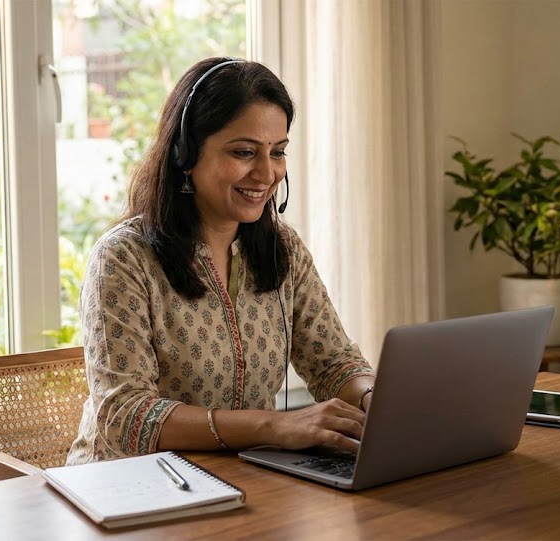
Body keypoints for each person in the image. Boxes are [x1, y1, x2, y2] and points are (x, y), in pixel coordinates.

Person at [67, 57, 375, 465]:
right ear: (185, 154)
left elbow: (333, 364)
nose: (266, 173)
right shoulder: (124, 258)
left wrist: (375, 399)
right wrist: (274, 427)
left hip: (248, 482)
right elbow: (126, 415)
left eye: (278, 152)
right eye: (244, 152)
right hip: (129, 492)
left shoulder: (284, 249)